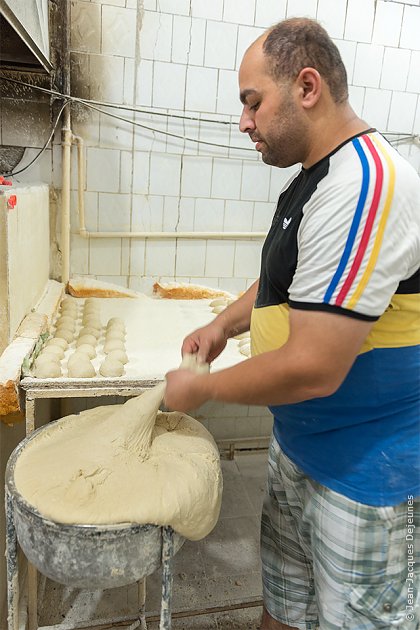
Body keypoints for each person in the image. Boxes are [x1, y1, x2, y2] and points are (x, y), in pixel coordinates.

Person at [164, 17, 420, 630]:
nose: (244, 121)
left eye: (253, 102)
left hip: (362, 478)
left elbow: (315, 366)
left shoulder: (366, 185)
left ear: (307, 87)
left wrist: (205, 387)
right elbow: (289, 283)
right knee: (283, 608)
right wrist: (227, 324)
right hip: (298, 450)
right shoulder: (315, 178)